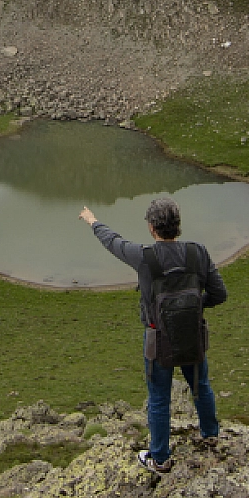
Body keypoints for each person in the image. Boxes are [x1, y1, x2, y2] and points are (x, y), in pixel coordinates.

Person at [80, 197, 227, 474]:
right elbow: (220, 294)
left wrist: (93, 221)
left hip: (158, 341)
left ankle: (160, 458)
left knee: (159, 398)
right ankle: (211, 436)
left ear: (151, 227)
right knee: (201, 387)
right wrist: (194, 307)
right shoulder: (198, 253)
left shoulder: (144, 257)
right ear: (178, 226)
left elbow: (114, 242)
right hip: (192, 336)